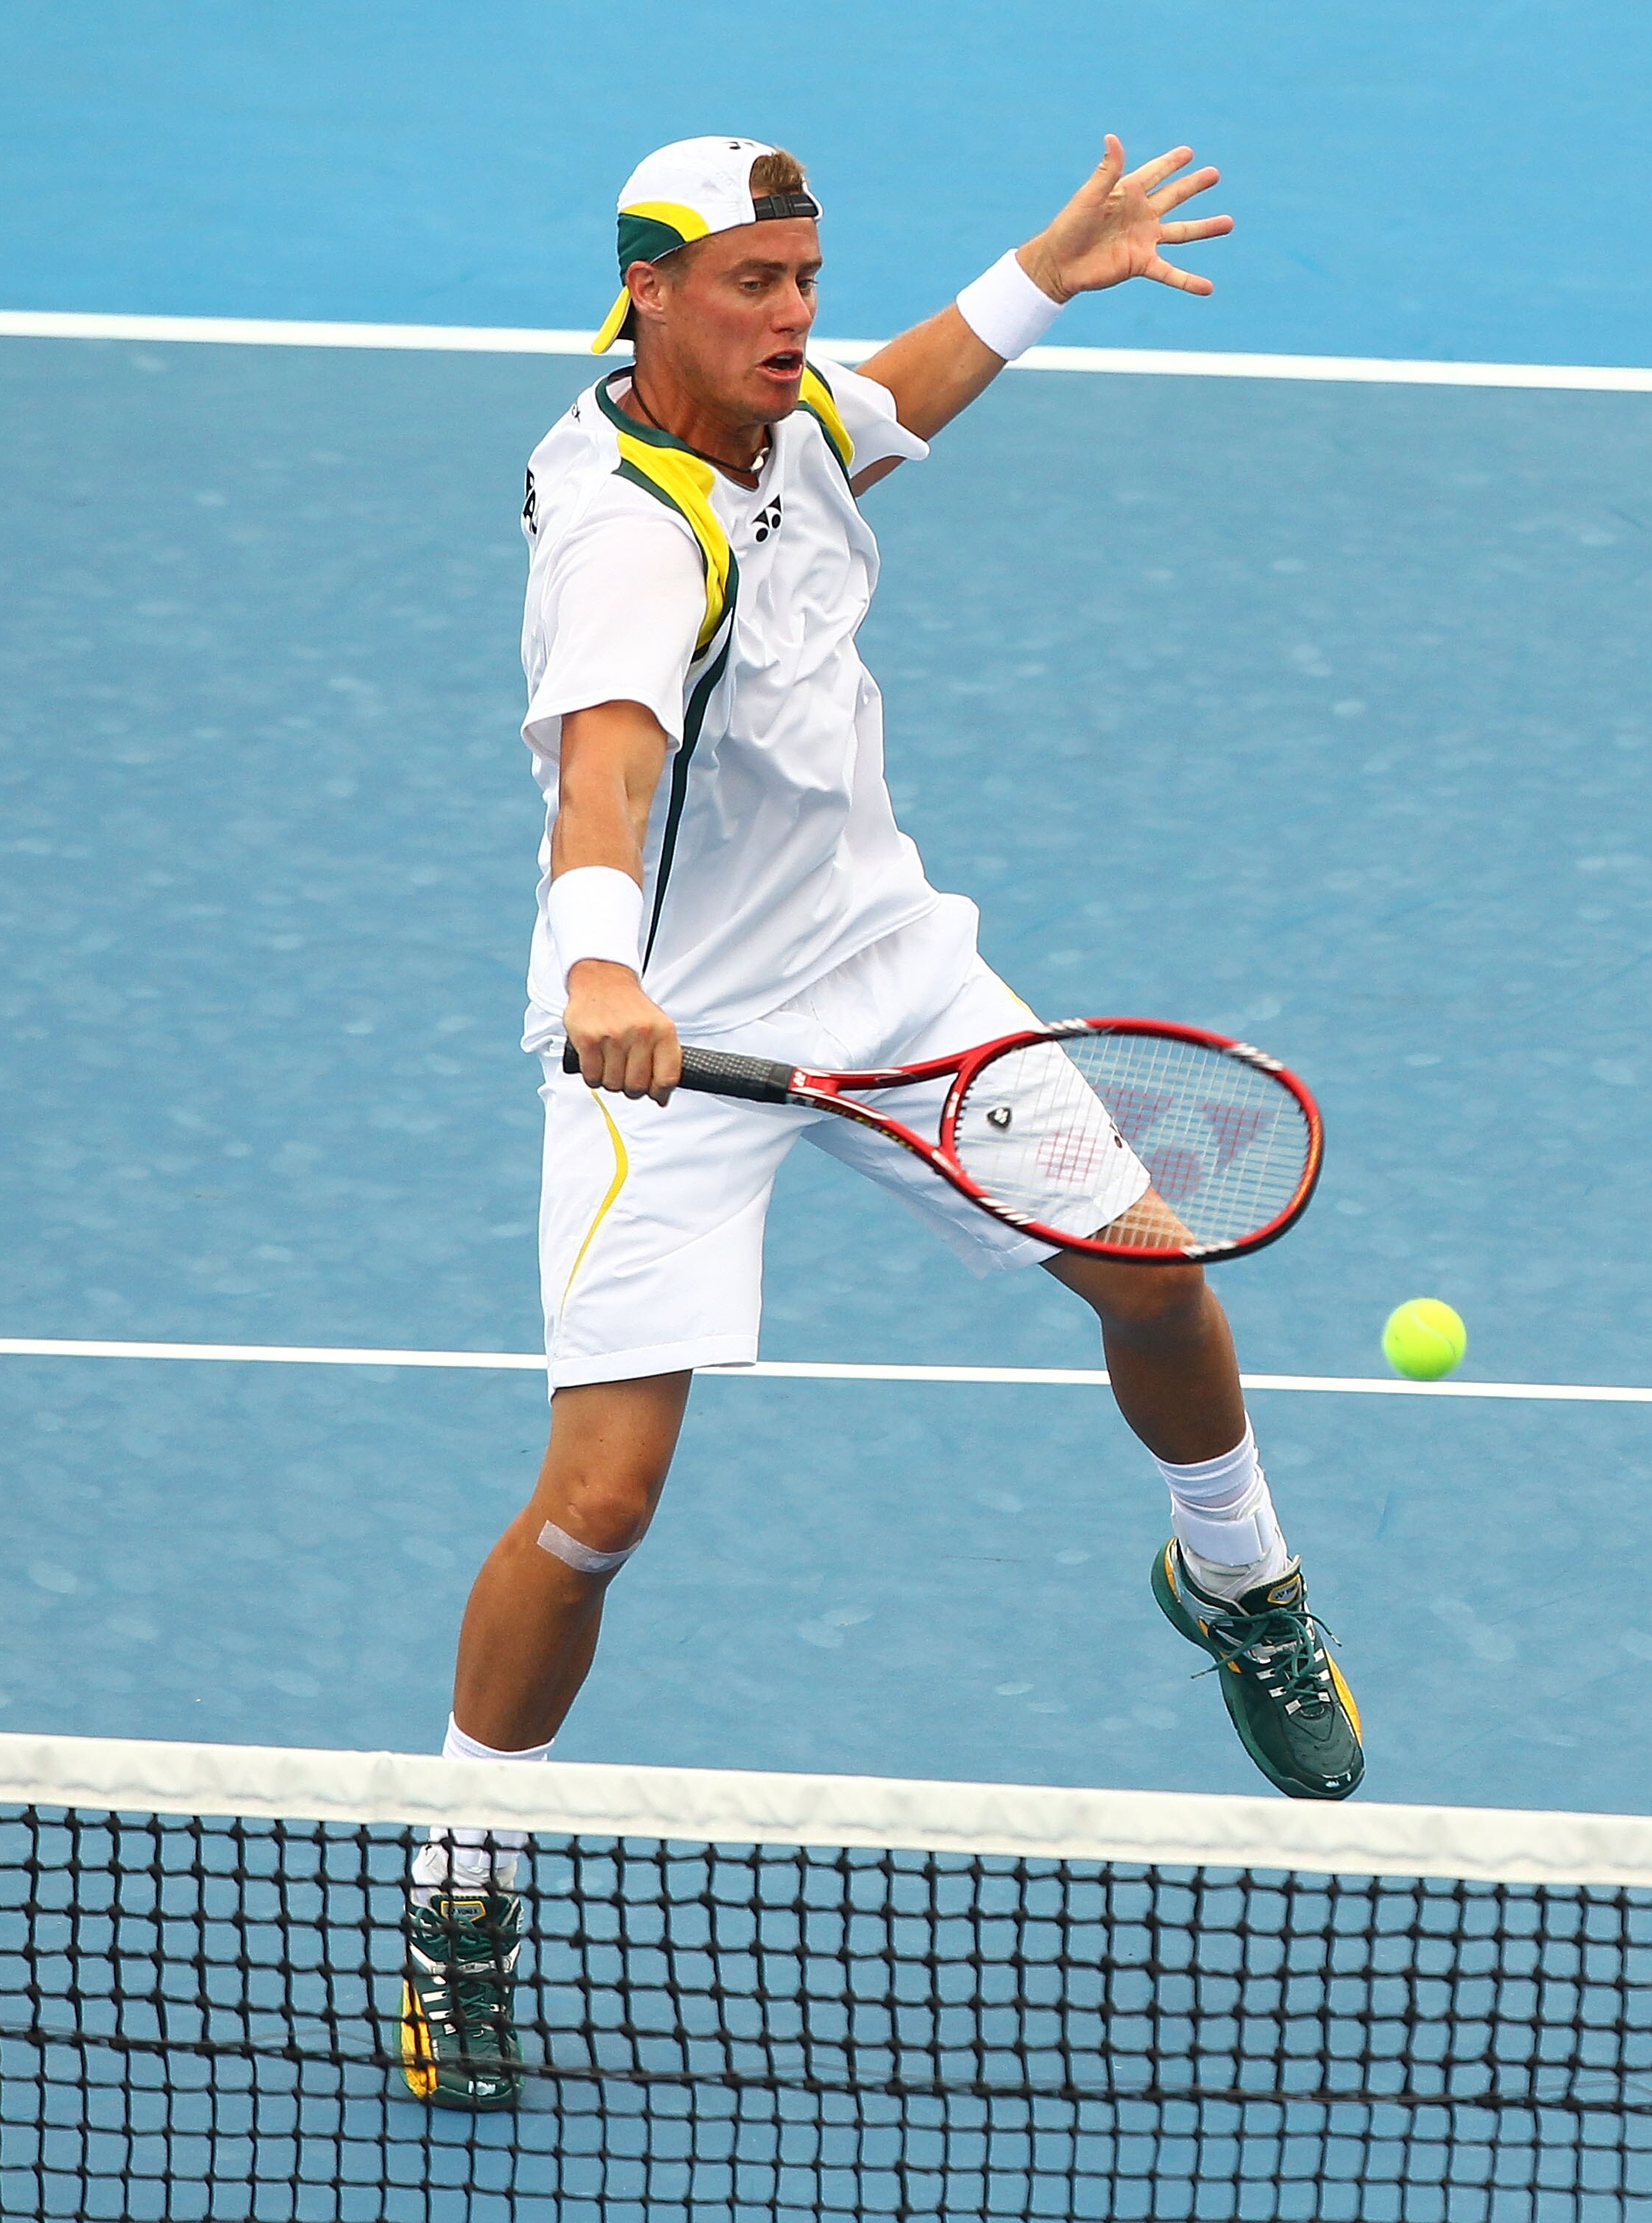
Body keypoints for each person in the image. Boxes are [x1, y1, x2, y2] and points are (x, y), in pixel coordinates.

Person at [396, 133, 1363, 2111]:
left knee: (1150, 1276)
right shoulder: (622, 539)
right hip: (665, 1038)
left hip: (896, 982)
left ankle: (1238, 1582)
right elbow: (601, 779)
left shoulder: (781, 411)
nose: (792, 315)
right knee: (597, 1512)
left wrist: (1043, 269)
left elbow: (884, 403)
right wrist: (599, 974)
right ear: (643, 291)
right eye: (751, 281)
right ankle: (458, 1892)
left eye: (804, 273)